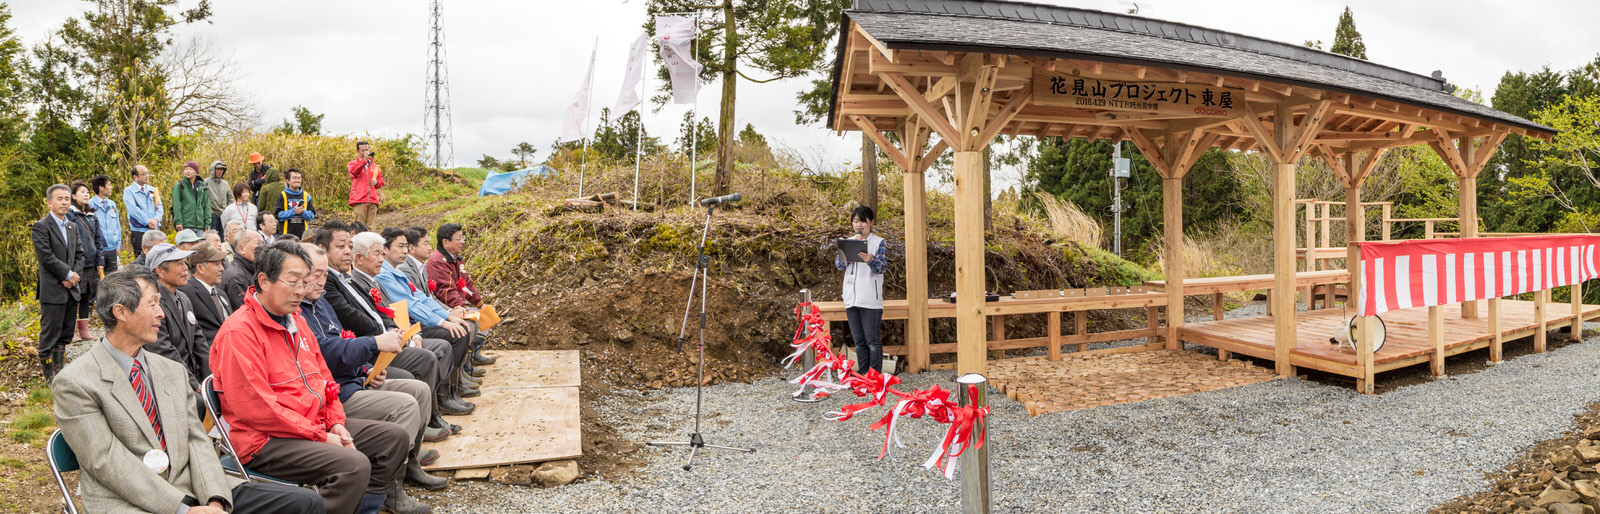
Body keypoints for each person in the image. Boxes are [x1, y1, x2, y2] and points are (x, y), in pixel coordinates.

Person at [51, 268, 326, 514]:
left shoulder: (169, 370)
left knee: (305, 503)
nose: (161, 313)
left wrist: (215, 500)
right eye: (153, 304)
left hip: (198, 487)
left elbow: (197, 440)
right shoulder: (76, 382)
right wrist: (184, 509)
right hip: (128, 501)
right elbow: (108, 463)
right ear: (121, 312)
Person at [208, 241, 413, 514]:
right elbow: (259, 410)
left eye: (305, 282)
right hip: (266, 439)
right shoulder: (240, 333)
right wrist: (319, 435)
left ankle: (361, 508)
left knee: (393, 439)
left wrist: (336, 423)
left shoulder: (296, 321)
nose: (301, 291)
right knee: (353, 465)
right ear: (264, 281)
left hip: (308, 424)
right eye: (293, 281)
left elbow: (324, 381)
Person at [298, 243, 448, 498]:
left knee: (420, 390)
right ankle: (386, 487)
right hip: (336, 391)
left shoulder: (320, 303)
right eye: (315, 274)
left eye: (325, 274)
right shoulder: (298, 310)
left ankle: (409, 465)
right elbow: (325, 351)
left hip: (352, 379)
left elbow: (343, 338)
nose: (320, 281)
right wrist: (374, 344)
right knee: (405, 405)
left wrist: (367, 368)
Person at [318, 223, 465, 429]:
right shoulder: (333, 283)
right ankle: (429, 418)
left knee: (452, 337)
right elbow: (354, 318)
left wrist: (444, 315)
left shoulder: (349, 279)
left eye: (349, 247)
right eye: (341, 246)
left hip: (383, 339)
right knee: (431, 354)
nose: (382, 258)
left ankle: (443, 401)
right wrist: (389, 334)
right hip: (370, 349)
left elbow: (391, 308)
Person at [356, 231, 478, 411]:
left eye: (406, 246)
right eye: (400, 246)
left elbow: (422, 297)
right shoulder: (383, 275)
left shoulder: (395, 272)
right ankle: (441, 400)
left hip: (409, 326)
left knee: (463, 327)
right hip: (406, 328)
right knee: (453, 336)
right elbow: (409, 305)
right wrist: (442, 321)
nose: (405, 251)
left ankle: (452, 388)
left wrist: (447, 315)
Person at [32, 184, 86, 381]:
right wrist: (67, 275)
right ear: (49, 203)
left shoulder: (72, 226)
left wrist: (75, 277)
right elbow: (46, 257)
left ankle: (60, 374)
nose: (64, 202)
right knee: (50, 333)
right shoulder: (41, 226)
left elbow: (80, 255)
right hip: (53, 289)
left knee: (64, 333)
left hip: (71, 288)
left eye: (66, 199)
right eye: (60, 199)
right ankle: (49, 379)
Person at [426, 223, 496, 366]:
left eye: (462, 237)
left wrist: (479, 303)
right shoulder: (437, 261)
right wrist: (461, 307)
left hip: (458, 305)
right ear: (446, 242)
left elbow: (466, 284)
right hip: (446, 308)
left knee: (486, 313)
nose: (463, 241)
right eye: (459, 238)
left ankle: (474, 354)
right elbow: (446, 290)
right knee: (473, 320)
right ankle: (465, 363)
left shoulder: (456, 258)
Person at [143, 243, 209, 389]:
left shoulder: (183, 298)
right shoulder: (153, 304)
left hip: (191, 375)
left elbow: (199, 341)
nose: (185, 268)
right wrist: (195, 386)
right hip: (168, 382)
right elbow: (163, 351)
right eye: (179, 264)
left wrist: (210, 378)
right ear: (159, 270)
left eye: (184, 262)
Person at [834, 206, 888, 375]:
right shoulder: (848, 241)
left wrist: (870, 259)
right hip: (851, 298)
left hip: (871, 299)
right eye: (856, 221)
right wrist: (849, 252)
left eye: (863, 221)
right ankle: (863, 373)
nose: (859, 225)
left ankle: (875, 376)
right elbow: (839, 265)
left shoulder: (879, 242)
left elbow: (882, 267)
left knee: (872, 341)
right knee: (859, 341)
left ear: (871, 222)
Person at [69, 182, 106, 342]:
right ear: (74, 196)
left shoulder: (92, 215)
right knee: (74, 297)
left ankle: (84, 330)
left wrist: (100, 259)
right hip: (77, 263)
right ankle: (71, 331)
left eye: (87, 192)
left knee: (87, 296)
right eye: (82, 192)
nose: (86, 194)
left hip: (92, 263)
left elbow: (98, 239)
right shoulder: (71, 215)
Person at [182, 242, 233, 357]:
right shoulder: (186, 292)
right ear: (200, 267)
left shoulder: (221, 294)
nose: (222, 269)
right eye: (217, 264)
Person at [123, 164, 163, 259]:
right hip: (139, 231)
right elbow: (133, 210)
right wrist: (147, 221)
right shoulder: (129, 191)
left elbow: (160, 207)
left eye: (147, 173)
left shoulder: (152, 190)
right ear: (135, 177)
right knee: (141, 259)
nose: (147, 176)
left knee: (156, 258)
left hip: (154, 230)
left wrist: (156, 220)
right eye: (144, 174)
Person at [220, 230, 262, 308]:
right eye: (258, 244)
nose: (262, 248)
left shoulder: (254, 269)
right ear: (242, 248)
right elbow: (247, 309)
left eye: (263, 243)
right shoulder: (236, 277)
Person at [89, 174, 122, 273]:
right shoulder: (90, 205)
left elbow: (117, 226)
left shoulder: (112, 204)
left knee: (113, 279)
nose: (111, 187)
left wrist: (118, 246)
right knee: (99, 279)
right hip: (99, 250)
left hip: (113, 249)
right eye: (109, 185)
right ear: (101, 188)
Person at [347, 142, 385, 227]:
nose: (365, 152)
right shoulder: (352, 164)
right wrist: (364, 161)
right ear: (358, 151)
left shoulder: (374, 166)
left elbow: (381, 182)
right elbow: (354, 172)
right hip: (359, 199)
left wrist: (377, 183)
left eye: (367, 150)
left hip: (373, 200)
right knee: (359, 226)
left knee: (370, 227)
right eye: (363, 150)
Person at [271, 168, 316, 238]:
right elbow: (278, 215)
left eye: (299, 178)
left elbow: (312, 215)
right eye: (294, 178)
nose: (297, 180)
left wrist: (303, 212)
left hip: (303, 235)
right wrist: (293, 212)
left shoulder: (306, 196)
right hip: (286, 235)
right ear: (287, 180)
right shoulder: (282, 195)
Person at [172, 161, 211, 234]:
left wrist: (207, 223)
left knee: (199, 245)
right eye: (186, 169)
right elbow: (176, 205)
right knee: (186, 245)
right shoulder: (180, 185)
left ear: (196, 172)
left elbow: (206, 205)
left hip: (200, 225)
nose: (188, 171)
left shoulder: (202, 186)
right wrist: (178, 221)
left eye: (190, 169)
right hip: (185, 224)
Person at [206, 160, 232, 232]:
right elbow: (201, 199)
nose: (220, 171)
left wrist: (228, 211)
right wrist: (209, 210)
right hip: (212, 214)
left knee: (224, 237)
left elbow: (230, 199)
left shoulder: (225, 184)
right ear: (213, 170)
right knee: (212, 236)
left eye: (222, 170)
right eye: (218, 169)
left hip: (224, 214)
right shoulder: (205, 182)